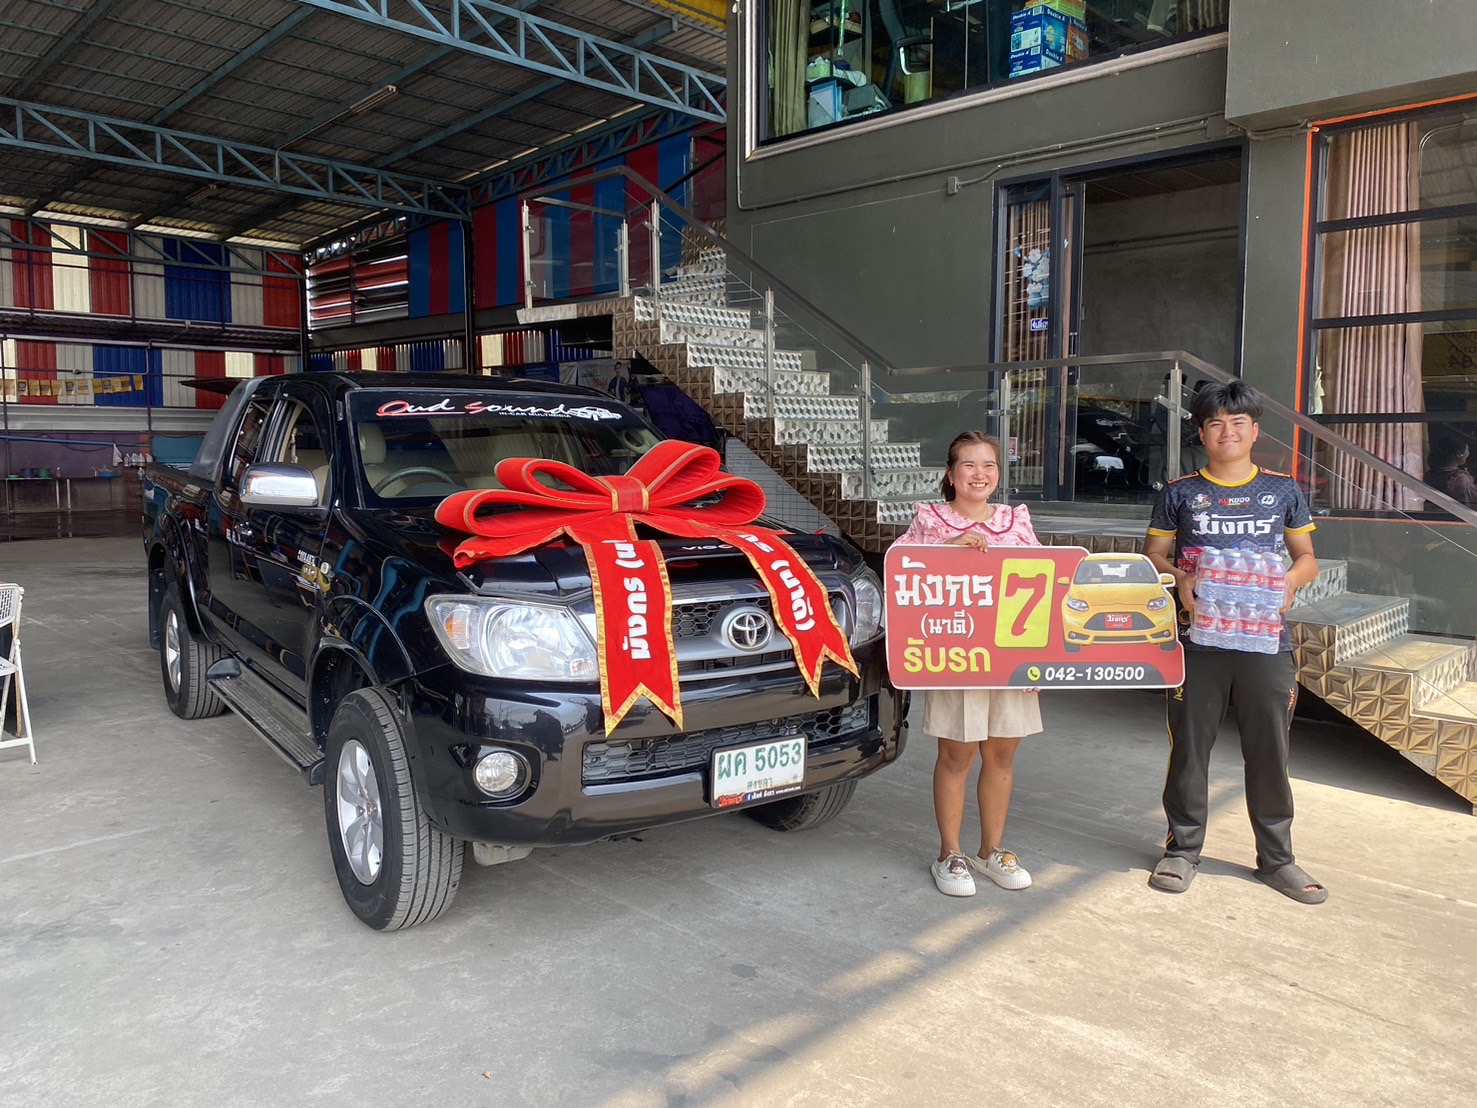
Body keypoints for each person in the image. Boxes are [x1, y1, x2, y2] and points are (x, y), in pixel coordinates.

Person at [1141, 380, 1328, 904]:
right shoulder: (1179, 492)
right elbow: (1152, 555)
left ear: (1255, 431)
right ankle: (1182, 850)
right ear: (1202, 433)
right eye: (1216, 424)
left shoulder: (1282, 490)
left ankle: (1278, 859)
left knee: (1270, 750)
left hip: (1264, 641)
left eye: (1238, 423)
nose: (1228, 432)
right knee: (1190, 747)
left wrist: (1290, 582)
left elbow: (1306, 557)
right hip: (1197, 639)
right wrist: (1180, 576)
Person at [893, 431, 1042, 897]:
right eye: (969, 465)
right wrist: (943, 551)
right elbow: (899, 568)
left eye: (989, 465)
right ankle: (950, 853)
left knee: (1002, 755)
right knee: (957, 754)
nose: (980, 474)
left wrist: (1044, 659)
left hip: (1012, 657)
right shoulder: (930, 520)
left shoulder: (1017, 520)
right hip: (955, 657)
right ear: (951, 473)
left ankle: (991, 850)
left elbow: (1045, 582)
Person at [1426, 438, 1477, 507]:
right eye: (1467, 450)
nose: (1468, 453)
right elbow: (1472, 501)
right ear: (1459, 454)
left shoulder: (1431, 474)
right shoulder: (1460, 479)